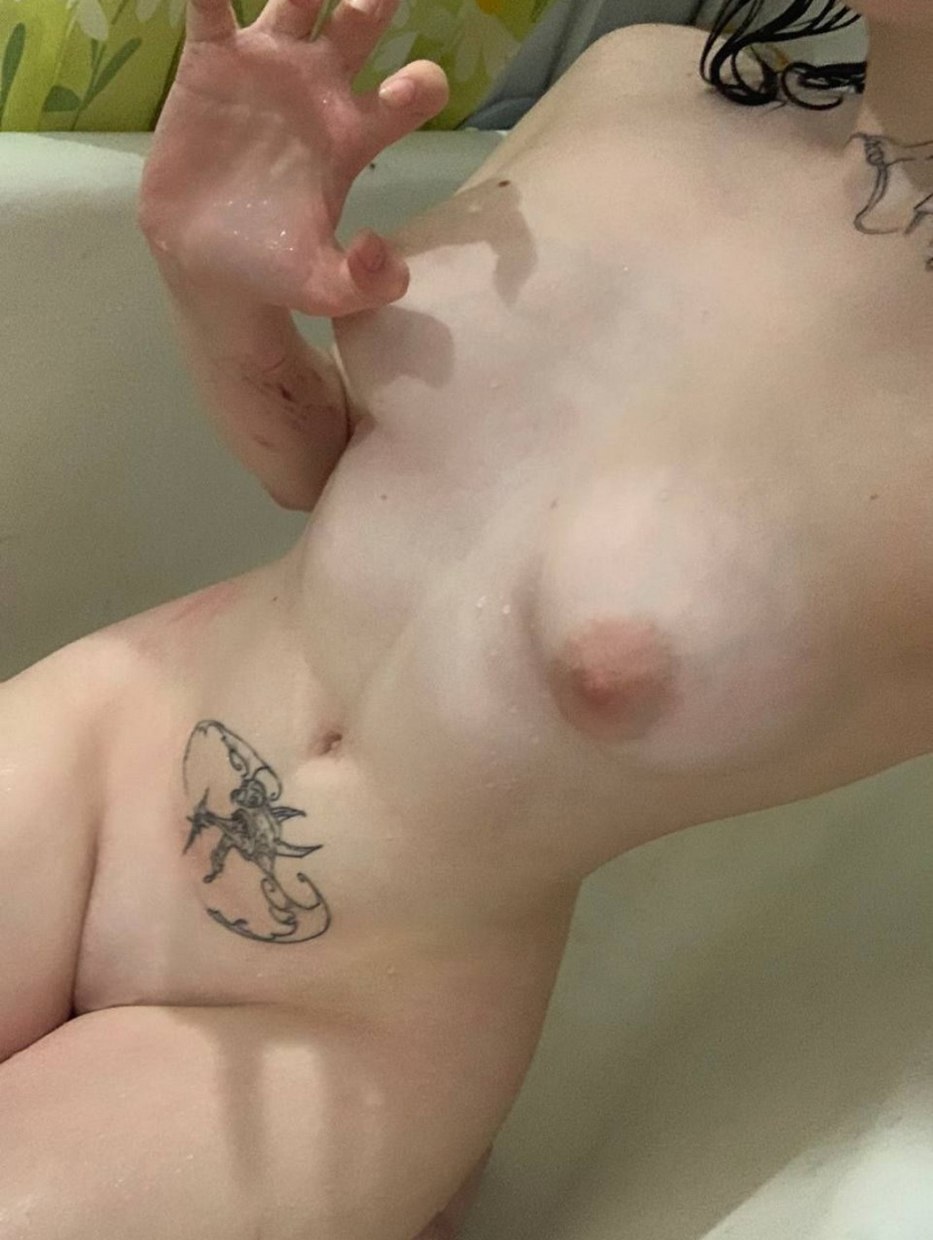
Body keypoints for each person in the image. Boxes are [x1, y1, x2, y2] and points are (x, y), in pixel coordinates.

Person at [1, 0, 931, 1236]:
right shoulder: (644, 83)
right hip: (109, 739)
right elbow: (348, 482)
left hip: (344, 1016)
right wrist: (212, 282)